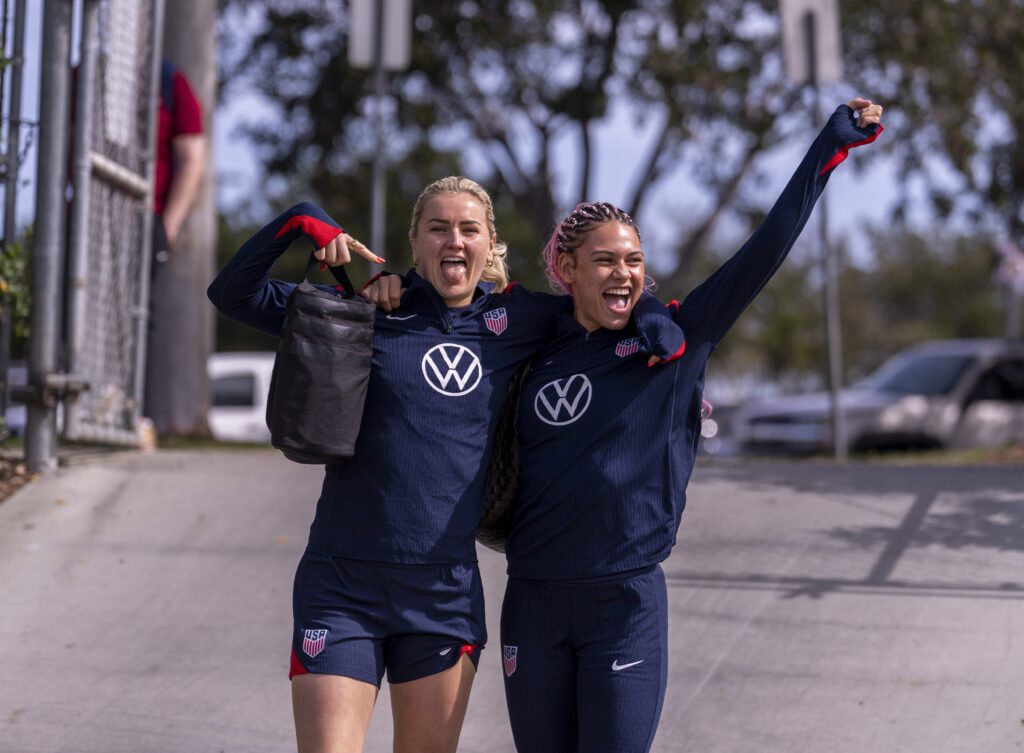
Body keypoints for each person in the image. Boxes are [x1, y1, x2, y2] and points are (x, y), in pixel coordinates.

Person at [206, 176, 683, 753]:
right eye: (438, 227)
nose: (454, 240)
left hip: (443, 597)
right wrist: (297, 220)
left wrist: (655, 314)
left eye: (468, 229)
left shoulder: (524, 320)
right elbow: (234, 294)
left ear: (489, 245)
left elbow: (607, 295)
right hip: (341, 586)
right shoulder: (366, 311)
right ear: (416, 242)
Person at [498, 99, 884, 753]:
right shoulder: (534, 345)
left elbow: (763, 250)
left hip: (625, 605)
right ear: (566, 270)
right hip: (532, 600)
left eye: (634, 261)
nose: (624, 273)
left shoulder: (677, 338)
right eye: (605, 261)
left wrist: (827, 149)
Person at [145, 60, 206, 436]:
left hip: (147, 217)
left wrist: (168, 225)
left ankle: (128, 410)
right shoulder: (86, 70)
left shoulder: (169, 83)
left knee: (137, 315)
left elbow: (192, 160)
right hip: (85, 215)